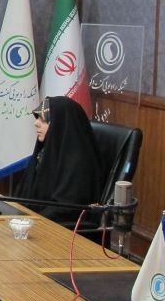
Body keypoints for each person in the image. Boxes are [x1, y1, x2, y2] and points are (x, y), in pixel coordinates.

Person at [15, 95, 103, 224]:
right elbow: (24, 193)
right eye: (37, 118)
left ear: (60, 125)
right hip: (32, 221)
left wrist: (32, 222)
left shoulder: (79, 163)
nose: (36, 123)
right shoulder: (44, 152)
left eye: (43, 120)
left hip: (59, 228)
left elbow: (66, 208)